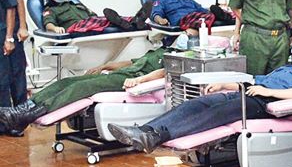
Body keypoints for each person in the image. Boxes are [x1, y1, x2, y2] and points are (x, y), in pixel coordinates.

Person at [108, 41, 292, 152]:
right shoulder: (287, 68)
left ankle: (158, 136)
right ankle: (144, 131)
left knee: (216, 114)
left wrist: (269, 92)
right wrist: (224, 84)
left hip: (264, 104)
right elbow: (254, 80)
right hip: (246, 92)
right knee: (196, 103)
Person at [0, 45, 171, 133]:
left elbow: (164, 72)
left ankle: (29, 114)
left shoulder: (174, 56)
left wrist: (139, 80)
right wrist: (106, 66)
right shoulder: (158, 50)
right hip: (121, 73)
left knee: (81, 87)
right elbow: (132, 62)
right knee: (66, 82)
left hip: (131, 81)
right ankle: (23, 109)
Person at [42, 0, 148, 34]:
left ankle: (134, 20)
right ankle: (128, 23)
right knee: (97, 21)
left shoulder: (78, 5)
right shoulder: (51, 10)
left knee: (102, 19)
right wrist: (55, 28)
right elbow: (48, 23)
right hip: (74, 27)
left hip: (90, 23)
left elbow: (93, 16)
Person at [0, 0, 29, 119]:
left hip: (10, 29)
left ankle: (20, 118)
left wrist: (22, 27)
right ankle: (6, 119)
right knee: (2, 77)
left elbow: (16, 1)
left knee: (16, 74)